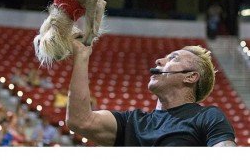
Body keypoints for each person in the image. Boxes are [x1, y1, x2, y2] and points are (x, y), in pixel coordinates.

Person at [66, 39, 237, 147]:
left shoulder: (207, 117)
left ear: (191, 77)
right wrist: (81, 56)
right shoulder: (131, 123)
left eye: (173, 58)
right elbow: (79, 120)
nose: (159, 61)